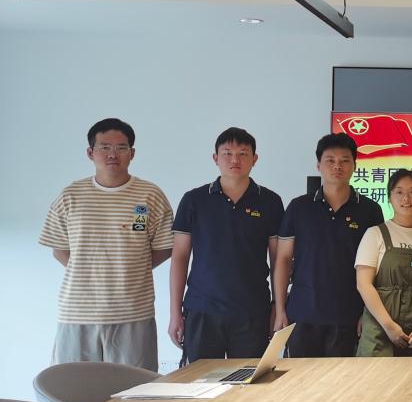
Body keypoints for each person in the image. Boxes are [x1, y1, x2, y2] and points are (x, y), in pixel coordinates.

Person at [39, 117, 173, 370]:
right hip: (77, 312)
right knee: (74, 387)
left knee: (135, 386)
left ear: (132, 153)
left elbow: (164, 247)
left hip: (133, 312)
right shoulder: (70, 195)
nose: (113, 154)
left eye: (121, 147)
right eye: (104, 147)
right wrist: (89, 271)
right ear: (91, 153)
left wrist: (128, 270)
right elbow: (59, 249)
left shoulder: (150, 195)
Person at [169, 127, 283, 363]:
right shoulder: (194, 200)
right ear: (215, 158)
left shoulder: (270, 201)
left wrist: (278, 306)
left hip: (253, 310)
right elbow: (180, 257)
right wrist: (174, 313)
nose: (235, 160)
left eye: (243, 153)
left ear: (255, 159)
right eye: (227, 153)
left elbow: (278, 260)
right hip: (202, 308)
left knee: (248, 380)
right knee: (200, 380)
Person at [274, 133, 383, 357]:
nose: (337, 166)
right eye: (330, 160)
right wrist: (280, 309)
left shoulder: (370, 210)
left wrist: (368, 313)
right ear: (318, 165)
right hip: (303, 314)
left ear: (354, 165)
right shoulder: (299, 207)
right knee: (300, 377)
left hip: (348, 315)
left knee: (342, 378)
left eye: (344, 160)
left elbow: (378, 267)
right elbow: (283, 259)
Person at [355, 169, 412, 356]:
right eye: (399, 192)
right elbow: (364, 284)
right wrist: (389, 326)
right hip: (379, 329)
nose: (406, 198)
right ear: (389, 197)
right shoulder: (374, 234)